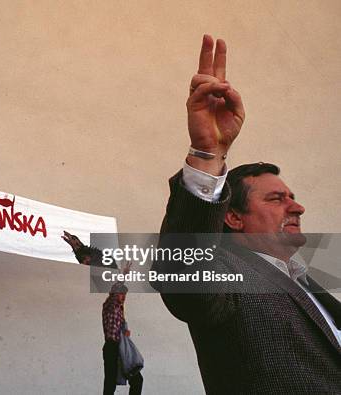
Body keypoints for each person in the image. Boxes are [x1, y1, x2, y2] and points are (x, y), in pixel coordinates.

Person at [154, 35, 341, 393]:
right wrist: (207, 153)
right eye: (276, 199)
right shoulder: (225, 275)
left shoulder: (306, 280)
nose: (297, 206)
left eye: (292, 197)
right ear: (234, 218)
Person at [63, 231, 143, 395]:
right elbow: (115, 292)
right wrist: (124, 275)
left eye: (124, 295)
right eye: (121, 294)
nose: (123, 297)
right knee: (110, 383)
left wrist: (125, 330)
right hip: (112, 347)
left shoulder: (119, 309)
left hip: (119, 346)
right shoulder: (110, 305)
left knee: (135, 379)